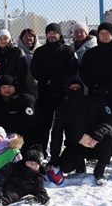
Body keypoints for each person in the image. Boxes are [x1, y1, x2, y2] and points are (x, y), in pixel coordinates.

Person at [79, 22, 112, 169]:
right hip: (95, 95)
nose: (104, 36)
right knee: (94, 124)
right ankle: (94, 154)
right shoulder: (91, 53)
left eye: (107, 33)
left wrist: (106, 87)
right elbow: (83, 72)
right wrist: (95, 86)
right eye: (101, 33)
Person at [47, 77, 112, 185]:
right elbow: (57, 134)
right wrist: (54, 158)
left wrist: (101, 131)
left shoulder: (96, 101)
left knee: (110, 141)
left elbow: (110, 120)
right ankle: (80, 164)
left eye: (78, 87)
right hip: (76, 146)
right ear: (67, 90)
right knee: (65, 166)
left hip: (96, 142)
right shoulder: (61, 108)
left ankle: (99, 170)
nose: (75, 90)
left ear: (82, 88)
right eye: (72, 88)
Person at [30, 23, 78, 155]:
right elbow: (34, 69)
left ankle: (69, 151)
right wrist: (46, 79)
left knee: (65, 124)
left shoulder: (67, 50)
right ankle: (42, 150)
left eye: (54, 32)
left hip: (63, 94)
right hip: (44, 93)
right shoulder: (40, 51)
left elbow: (72, 69)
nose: (52, 35)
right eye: (49, 32)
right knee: (44, 124)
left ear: (59, 34)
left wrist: (57, 79)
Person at [0, 75, 39, 147]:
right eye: (4, 87)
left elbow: (28, 120)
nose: (7, 90)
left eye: (9, 87)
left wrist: (8, 129)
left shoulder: (26, 99)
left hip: (22, 137)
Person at [0, 30, 30, 94]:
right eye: (0, 38)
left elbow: (23, 69)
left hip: (17, 85)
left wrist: (10, 80)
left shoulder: (17, 51)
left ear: (9, 39)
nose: (3, 41)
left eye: (5, 38)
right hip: (0, 86)